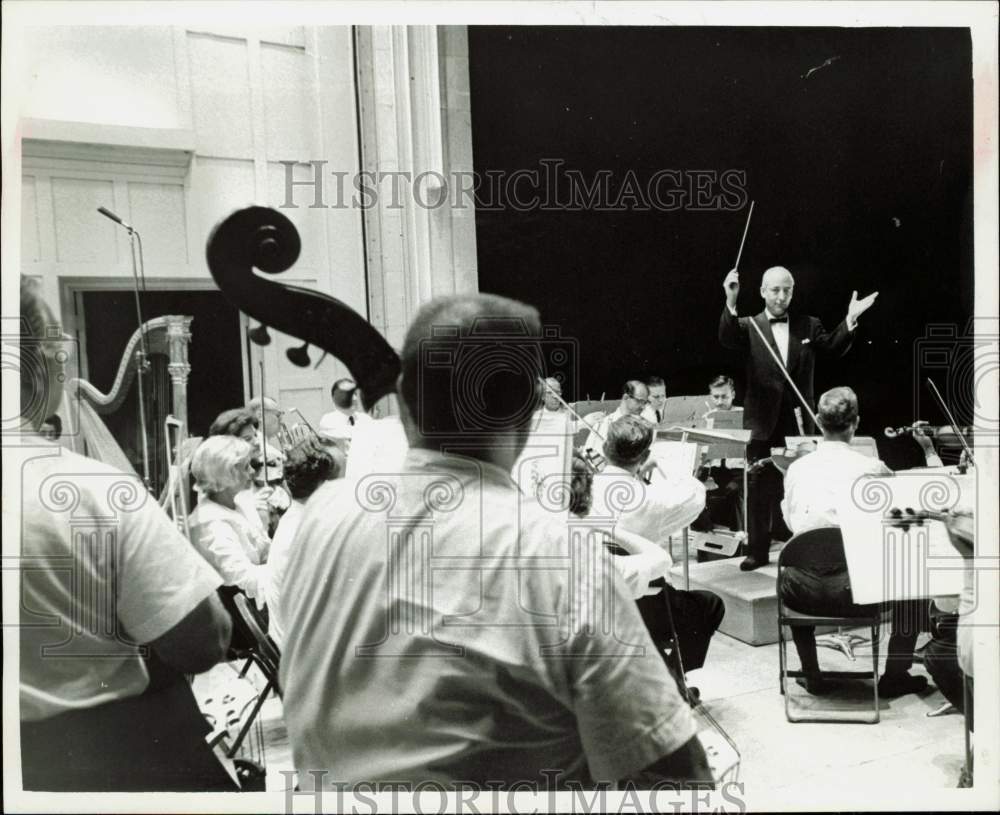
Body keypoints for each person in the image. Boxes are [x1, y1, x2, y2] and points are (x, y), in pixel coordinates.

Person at [280, 293, 711, 788]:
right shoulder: (555, 549)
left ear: (402, 400)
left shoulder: (320, 517)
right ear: (527, 417)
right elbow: (683, 778)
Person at [16, 277, 235, 791]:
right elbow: (203, 642)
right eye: (56, 352)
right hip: (107, 758)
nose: (64, 367)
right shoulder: (91, 490)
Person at [779, 386, 939, 697]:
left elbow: (792, 525)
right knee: (915, 581)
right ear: (855, 423)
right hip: (855, 592)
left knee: (800, 564)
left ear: (816, 420)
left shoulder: (795, 469)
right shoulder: (871, 469)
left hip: (800, 593)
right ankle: (896, 673)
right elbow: (901, 517)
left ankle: (811, 673)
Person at [719, 265, 878, 570]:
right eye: (775, 290)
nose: (781, 296)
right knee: (758, 487)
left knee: (807, 485)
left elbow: (833, 347)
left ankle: (805, 549)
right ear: (763, 291)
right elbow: (726, 337)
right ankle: (758, 551)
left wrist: (850, 318)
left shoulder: (808, 325)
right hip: (763, 421)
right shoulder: (748, 325)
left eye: (786, 290)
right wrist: (730, 299)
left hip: (799, 420)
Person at [570, 441, 724, 704]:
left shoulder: (560, 522)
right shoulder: (652, 497)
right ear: (643, 457)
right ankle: (672, 677)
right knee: (709, 604)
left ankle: (662, 675)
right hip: (640, 606)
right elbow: (694, 499)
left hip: (588, 617)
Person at [264, 438, 344, 648]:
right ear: (322, 486)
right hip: (309, 659)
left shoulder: (296, 518)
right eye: (343, 480)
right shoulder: (309, 535)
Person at [188, 436, 272, 614]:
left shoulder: (238, 502)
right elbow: (241, 577)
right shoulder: (211, 522)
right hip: (237, 612)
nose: (252, 471)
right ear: (226, 474)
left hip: (258, 592)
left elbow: (265, 549)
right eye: (245, 467)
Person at [692, 375, 745, 533]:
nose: (720, 401)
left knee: (735, 490)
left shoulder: (744, 415)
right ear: (710, 396)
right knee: (693, 488)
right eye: (716, 397)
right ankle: (706, 534)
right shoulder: (706, 418)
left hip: (738, 471)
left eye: (724, 396)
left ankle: (740, 536)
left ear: (733, 395)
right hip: (714, 470)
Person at [583, 379, 651, 459]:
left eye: (645, 402)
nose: (643, 407)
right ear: (626, 398)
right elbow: (589, 454)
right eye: (639, 401)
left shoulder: (645, 427)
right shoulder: (604, 424)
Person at [317, 377, 370, 449]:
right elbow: (354, 434)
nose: (355, 398)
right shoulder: (328, 420)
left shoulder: (364, 418)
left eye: (355, 393)